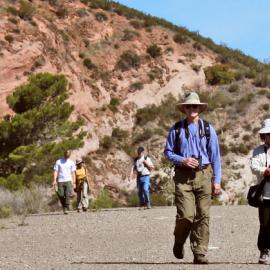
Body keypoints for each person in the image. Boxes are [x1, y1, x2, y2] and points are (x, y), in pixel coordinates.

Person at [164, 92, 221, 264]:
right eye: (188, 106)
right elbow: (167, 152)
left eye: (194, 106)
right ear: (184, 109)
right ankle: (179, 241)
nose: (191, 109)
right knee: (186, 215)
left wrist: (217, 181)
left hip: (204, 175)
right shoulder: (176, 129)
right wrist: (183, 160)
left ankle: (199, 252)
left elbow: (215, 157)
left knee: (203, 215)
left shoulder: (208, 129)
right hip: (183, 177)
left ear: (199, 109)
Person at [250, 118, 270, 264]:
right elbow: (254, 167)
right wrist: (266, 170)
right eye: (268, 133)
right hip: (265, 194)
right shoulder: (258, 151)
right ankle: (264, 251)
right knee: (265, 223)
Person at [52, 150, 76, 214]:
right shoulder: (58, 162)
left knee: (67, 194)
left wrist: (74, 182)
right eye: (66, 155)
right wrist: (54, 180)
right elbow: (55, 171)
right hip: (60, 180)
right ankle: (65, 206)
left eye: (68, 156)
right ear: (64, 154)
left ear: (69, 156)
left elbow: (73, 173)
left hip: (68, 180)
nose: (67, 157)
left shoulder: (71, 162)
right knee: (61, 194)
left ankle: (65, 207)